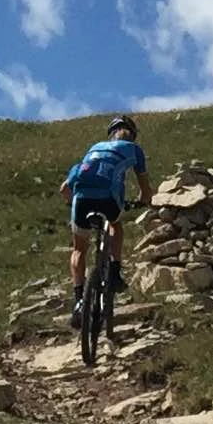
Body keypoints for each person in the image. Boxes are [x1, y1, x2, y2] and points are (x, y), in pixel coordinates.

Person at [62, 114, 152, 304]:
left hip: (82, 199)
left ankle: (78, 300)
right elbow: (144, 187)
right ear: (133, 136)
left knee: (79, 249)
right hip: (108, 199)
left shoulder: (94, 148)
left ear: (110, 135)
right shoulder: (134, 150)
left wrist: (71, 203)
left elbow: (65, 188)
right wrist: (142, 201)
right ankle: (114, 272)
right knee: (115, 224)